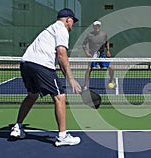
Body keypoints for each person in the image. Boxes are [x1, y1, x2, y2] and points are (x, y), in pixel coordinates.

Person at [10, 8, 82, 146]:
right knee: (60, 96)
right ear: (68, 19)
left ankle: (17, 127)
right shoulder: (62, 29)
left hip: (26, 63)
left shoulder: (50, 29)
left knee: (32, 95)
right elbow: (61, 55)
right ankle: (62, 136)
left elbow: (60, 60)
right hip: (41, 65)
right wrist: (71, 79)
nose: (72, 25)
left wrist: (67, 77)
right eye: (73, 21)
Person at [82, 20, 114, 90]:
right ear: (93, 27)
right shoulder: (89, 35)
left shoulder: (104, 34)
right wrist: (86, 52)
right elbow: (84, 44)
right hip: (93, 55)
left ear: (100, 27)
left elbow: (107, 42)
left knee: (111, 67)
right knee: (89, 69)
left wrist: (108, 50)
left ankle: (111, 81)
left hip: (102, 55)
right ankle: (85, 85)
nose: (97, 27)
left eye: (98, 26)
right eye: (96, 26)